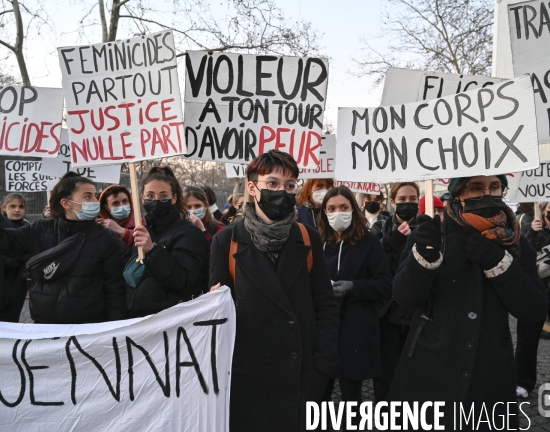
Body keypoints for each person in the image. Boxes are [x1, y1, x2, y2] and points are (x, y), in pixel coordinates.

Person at [389, 175, 548, 428]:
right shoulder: (431, 234)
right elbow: (404, 298)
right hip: (430, 372)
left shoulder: (515, 241)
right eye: (476, 188)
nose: (487, 194)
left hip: (489, 377)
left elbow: (534, 309)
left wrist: (498, 263)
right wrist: (423, 259)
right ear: (458, 195)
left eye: (494, 187)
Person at [209, 150, 339, 432]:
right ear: (253, 188)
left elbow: (325, 305)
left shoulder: (307, 237)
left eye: (290, 185)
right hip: (249, 379)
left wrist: (322, 365)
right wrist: (213, 302)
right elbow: (219, 316)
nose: (282, 191)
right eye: (273, 183)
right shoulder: (226, 241)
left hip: (299, 376)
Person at [0, 172, 128, 324]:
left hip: (87, 328)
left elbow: (115, 290)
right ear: (66, 203)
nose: (95, 201)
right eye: (88, 197)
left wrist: (115, 331)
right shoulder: (39, 230)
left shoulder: (106, 239)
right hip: (44, 327)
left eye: (95, 196)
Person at [319, 186, 392, 420]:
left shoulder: (370, 242)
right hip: (323, 332)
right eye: (331, 209)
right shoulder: (317, 242)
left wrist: (354, 287)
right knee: (320, 395)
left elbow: (384, 285)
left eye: (343, 207)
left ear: (353, 209)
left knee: (352, 398)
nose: (337, 213)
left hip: (355, 330)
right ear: (324, 212)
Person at [127, 166, 209, 318]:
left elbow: (183, 281)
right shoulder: (144, 230)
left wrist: (152, 251)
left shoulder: (189, 233)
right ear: (142, 197)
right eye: (150, 196)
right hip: (140, 320)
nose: (156, 201)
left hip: (171, 322)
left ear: (174, 198)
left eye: (163, 196)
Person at [371, 182, 420, 402]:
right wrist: (393, 242)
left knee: (414, 371)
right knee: (385, 371)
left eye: (412, 199)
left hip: (416, 313)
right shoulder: (379, 228)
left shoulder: (428, 228)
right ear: (393, 202)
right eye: (402, 199)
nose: (407, 203)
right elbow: (371, 261)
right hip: (386, 313)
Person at [517, 201, 550, 399]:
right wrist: (532, 234)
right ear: (543, 209)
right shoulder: (530, 227)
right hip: (534, 291)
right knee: (527, 339)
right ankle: (522, 382)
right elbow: (521, 256)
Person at [0, 193, 30, 322]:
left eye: (21, 207)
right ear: (5, 208)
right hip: (2, 281)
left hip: (19, 282)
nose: (17, 210)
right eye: (13, 206)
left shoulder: (29, 227)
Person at [97, 184, 136, 257]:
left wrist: (123, 232)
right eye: (115, 203)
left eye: (125, 201)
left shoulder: (141, 224)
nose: (122, 206)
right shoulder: (100, 227)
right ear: (107, 208)